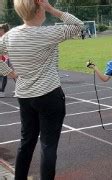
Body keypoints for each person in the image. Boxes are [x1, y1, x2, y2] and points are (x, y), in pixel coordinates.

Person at [0, 0, 84, 179]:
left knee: (26, 142)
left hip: (24, 97)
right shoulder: (48, 32)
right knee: (48, 146)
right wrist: (51, 9)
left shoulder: (10, 35)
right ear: (39, 10)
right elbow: (78, 25)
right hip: (49, 95)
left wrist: (10, 73)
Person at [0, 23, 15, 98]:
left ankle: (2, 91)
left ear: (4, 30)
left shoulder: (7, 37)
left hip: (9, 58)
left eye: (1, 29)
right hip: (3, 58)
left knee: (7, 74)